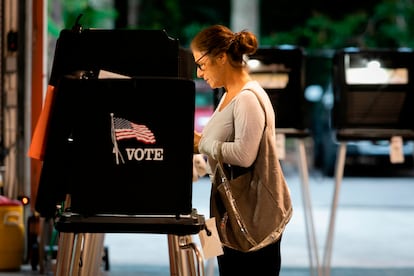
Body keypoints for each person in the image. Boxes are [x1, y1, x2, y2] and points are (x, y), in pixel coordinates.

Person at [191, 25, 293, 275]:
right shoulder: (229, 95)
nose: (199, 72)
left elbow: (244, 155)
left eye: (201, 64)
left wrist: (201, 144)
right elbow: (221, 151)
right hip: (231, 208)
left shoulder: (247, 97)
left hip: (249, 214)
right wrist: (200, 157)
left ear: (221, 57)